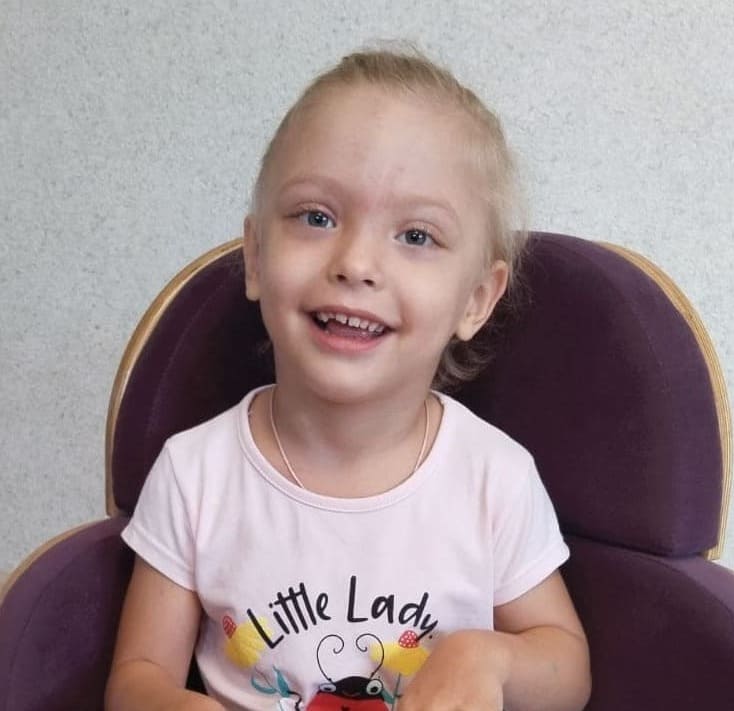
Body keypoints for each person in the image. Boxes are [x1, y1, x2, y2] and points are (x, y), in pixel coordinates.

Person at [105, 47, 591, 711]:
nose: (356, 262)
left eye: (416, 235)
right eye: (317, 217)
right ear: (255, 258)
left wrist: (490, 658)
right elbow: (135, 678)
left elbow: (567, 671)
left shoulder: (493, 478)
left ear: (476, 299)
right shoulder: (195, 475)